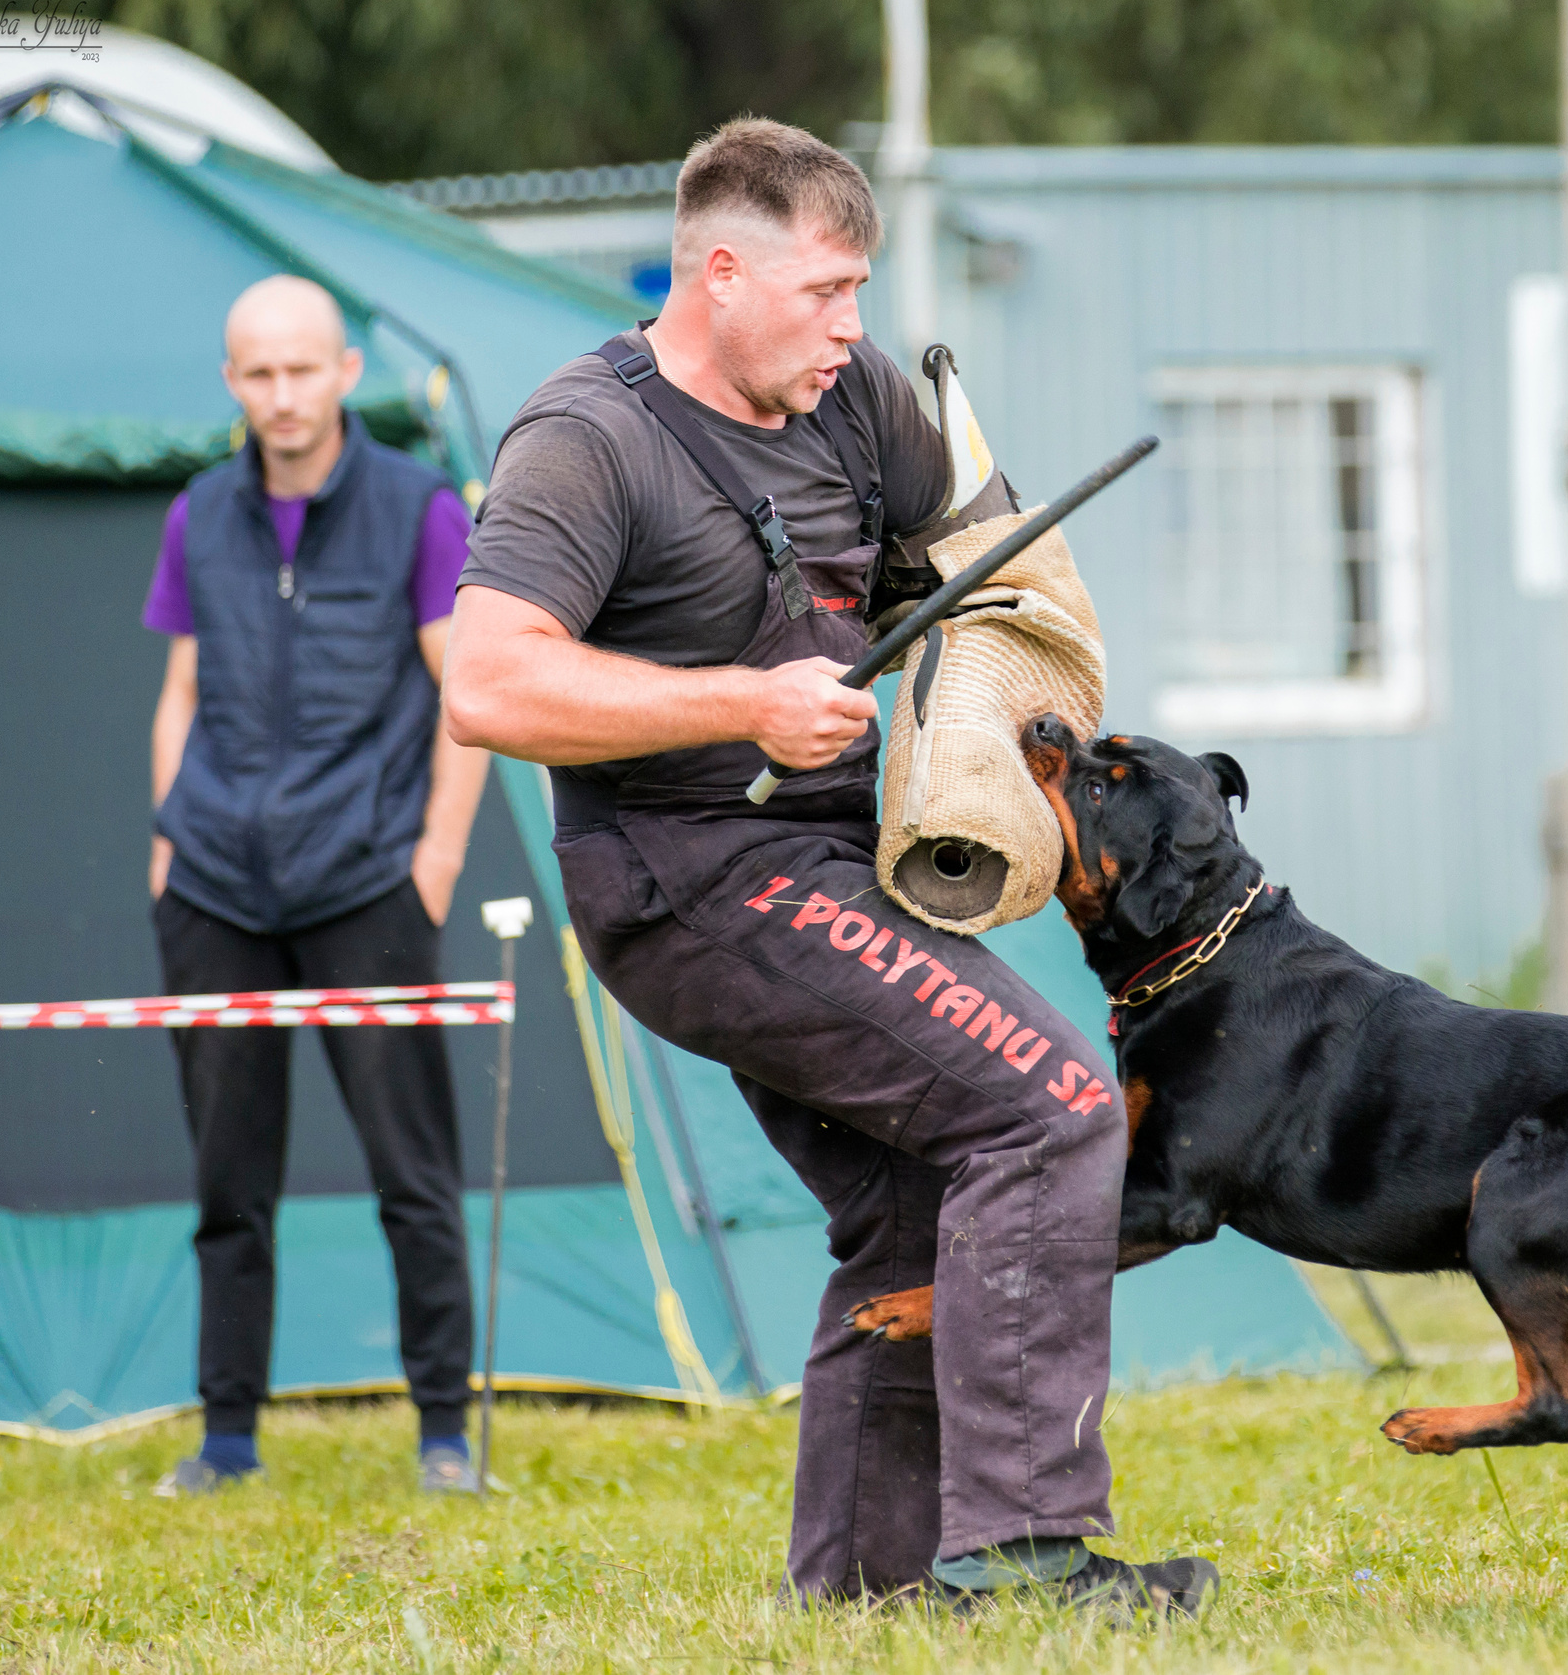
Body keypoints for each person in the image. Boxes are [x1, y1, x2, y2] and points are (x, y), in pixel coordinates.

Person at [443, 119, 1217, 1617]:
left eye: (861, 289)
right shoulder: (586, 440)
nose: (853, 324)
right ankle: (1029, 1557)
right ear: (722, 274)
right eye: (826, 290)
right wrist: (743, 703)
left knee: (920, 1197)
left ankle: (869, 1590)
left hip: (836, 860)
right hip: (686, 875)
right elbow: (488, 685)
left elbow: (1004, 574)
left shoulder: (856, 396)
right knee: (1053, 1110)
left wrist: (987, 721)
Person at [143, 275, 494, 1497]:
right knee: (226, 1181)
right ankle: (226, 1438)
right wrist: (164, 848)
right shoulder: (198, 512)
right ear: (231, 382)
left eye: (303, 368)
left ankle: (443, 1432)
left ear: (345, 371)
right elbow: (181, 690)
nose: (283, 393)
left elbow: (466, 698)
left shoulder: (419, 508)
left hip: (368, 887)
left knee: (413, 1172)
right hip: (213, 890)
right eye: (259, 372)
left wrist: (433, 865)